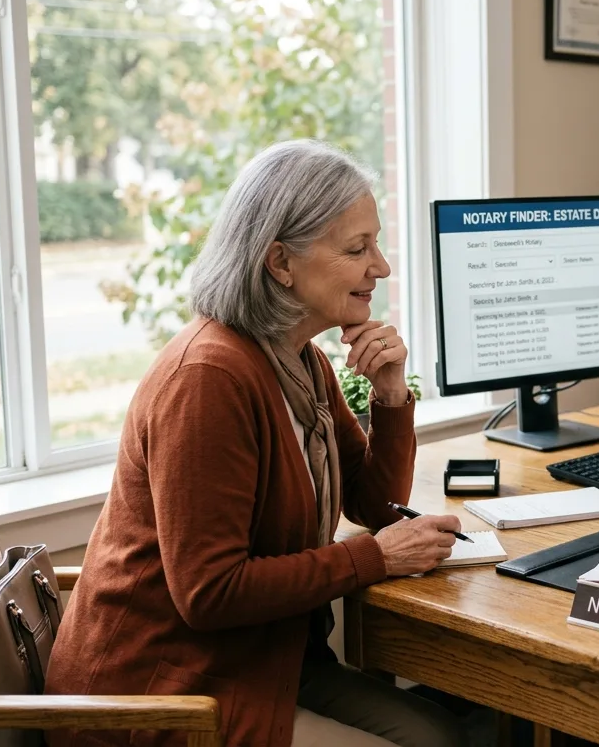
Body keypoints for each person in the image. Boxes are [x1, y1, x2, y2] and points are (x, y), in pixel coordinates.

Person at [45, 140, 467, 747]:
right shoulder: (208, 379)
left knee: (442, 736)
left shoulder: (299, 361)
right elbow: (209, 593)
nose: (382, 266)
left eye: (375, 243)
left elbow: (374, 507)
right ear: (280, 263)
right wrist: (375, 557)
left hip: (260, 662)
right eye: (357, 248)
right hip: (160, 691)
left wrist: (391, 396)